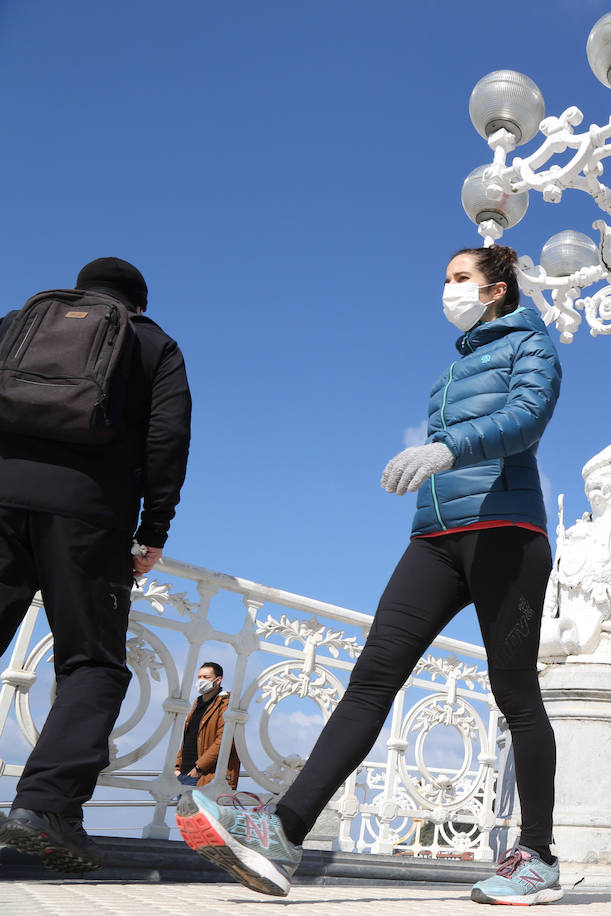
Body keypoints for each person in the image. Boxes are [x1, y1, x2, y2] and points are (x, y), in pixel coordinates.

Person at [176, 245, 564, 905]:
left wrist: (448, 447)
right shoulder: (455, 366)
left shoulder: (533, 346)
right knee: (371, 679)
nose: (448, 289)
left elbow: (527, 419)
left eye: (461, 278)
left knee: (516, 693)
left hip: (505, 534)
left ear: (497, 289)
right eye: (445, 279)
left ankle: (539, 856)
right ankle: (284, 836)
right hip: (434, 539)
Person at [0, 258, 192, 874]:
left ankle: (54, 809)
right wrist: (152, 530)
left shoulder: (19, 323)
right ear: (138, 303)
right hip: (88, 515)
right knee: (93, 663)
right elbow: (168, 438)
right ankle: (46, 807)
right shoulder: (153, 344)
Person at [175, 662, 240, 789]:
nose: (201, 680)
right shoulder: (197, 703)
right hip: (183, 775)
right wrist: (177, 766)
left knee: (200, 809)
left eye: (206, 677)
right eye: (199, 677)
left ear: (218, 680)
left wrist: (199, 768)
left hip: (204, 777)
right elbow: (187, 738)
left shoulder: (226, 704)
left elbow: (224, 740)